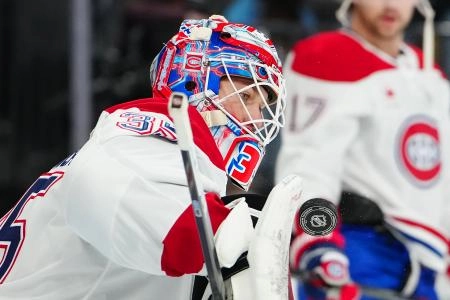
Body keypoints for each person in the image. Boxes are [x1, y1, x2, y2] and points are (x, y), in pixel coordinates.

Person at [0, 15, 289, 299]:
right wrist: (227, 235)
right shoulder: (153, 129)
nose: (255, 118)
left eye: (263, 106)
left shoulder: (167, 160)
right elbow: (104, 186)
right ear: (194, 81)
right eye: (248, 95)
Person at [275, 0, 450, 299]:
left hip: (429, 264)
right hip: (357, 258)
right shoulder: (326, 56)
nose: (391, 4)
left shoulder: (428, 71)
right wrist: (318, 241)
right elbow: (309, 163)